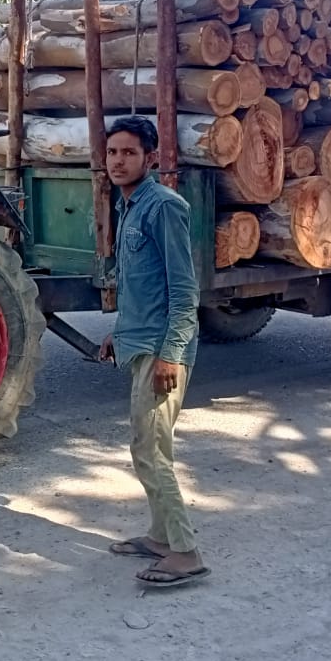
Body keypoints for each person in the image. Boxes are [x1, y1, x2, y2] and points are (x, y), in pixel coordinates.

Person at [97, 115, 209, 588]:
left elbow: (185, 292)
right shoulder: (128, 205)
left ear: (151, 158)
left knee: (150, 451)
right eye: (113, 152)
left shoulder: (164, 206)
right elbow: (141, 287)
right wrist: (117, 333)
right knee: (149, 447)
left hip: (163, 349)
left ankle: (185, 552)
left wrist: (171, 355)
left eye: (129, 153)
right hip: (139, 341)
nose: (119, 161)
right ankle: (162, 537)